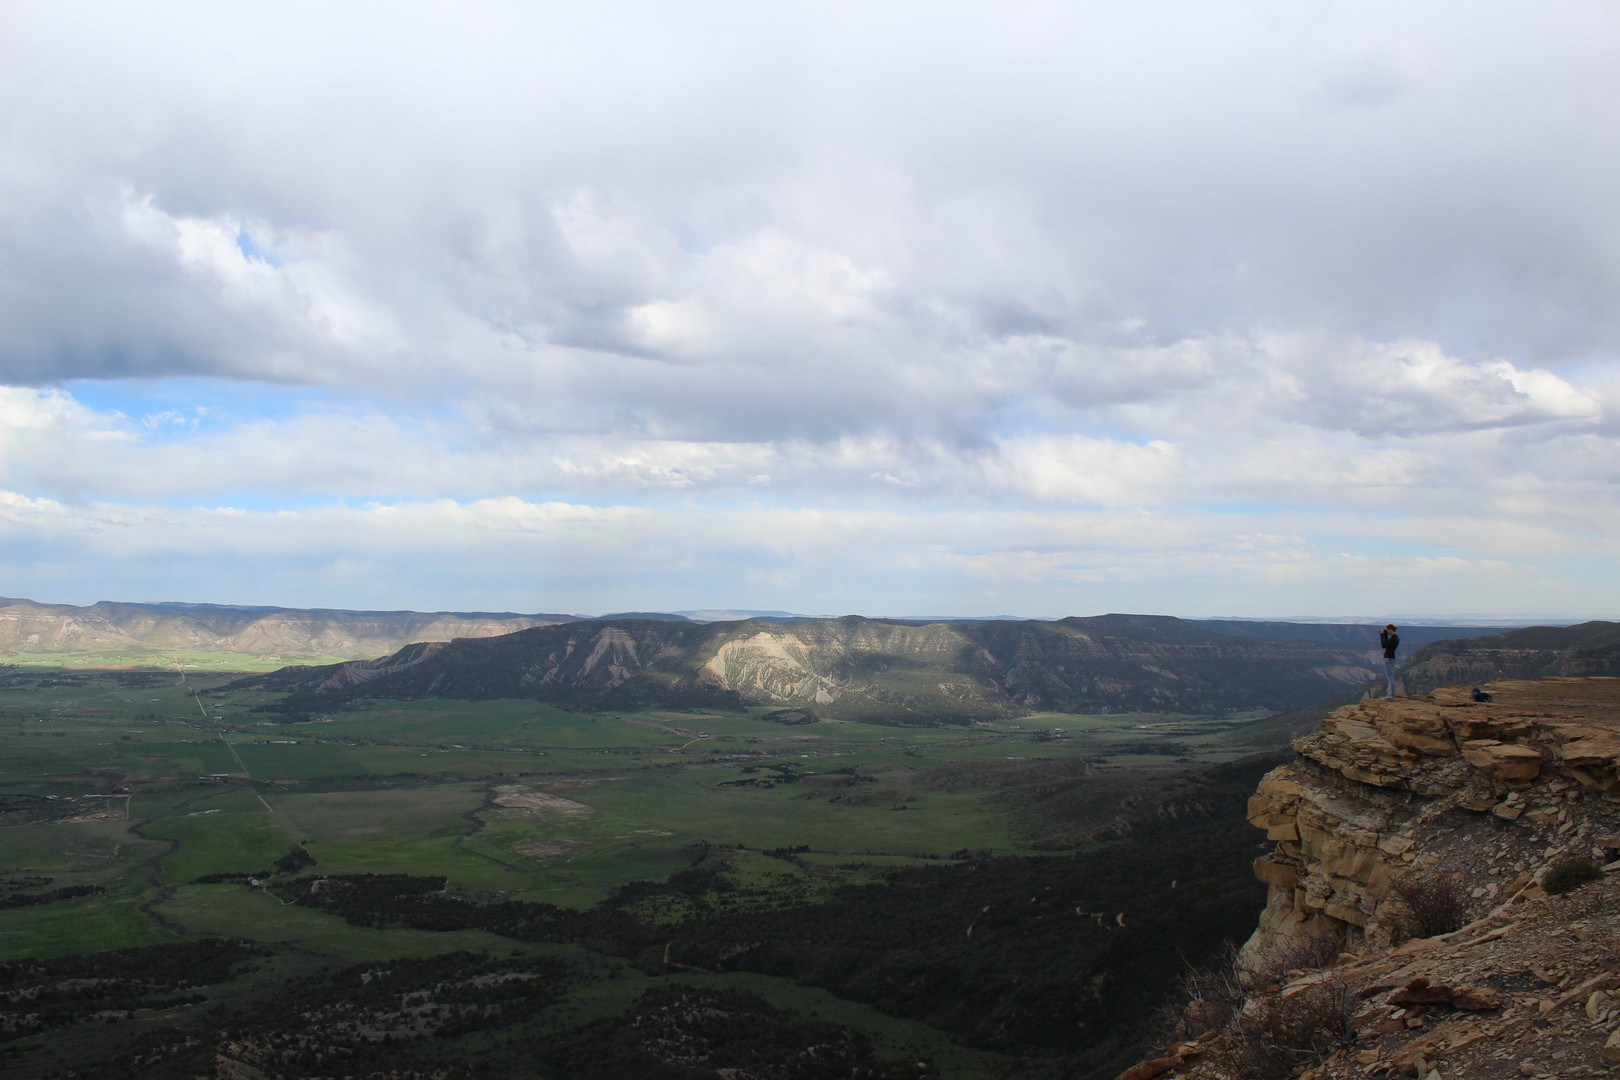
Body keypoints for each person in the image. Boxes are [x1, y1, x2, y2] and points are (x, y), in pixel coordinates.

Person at [1379, 624, 1400, 697]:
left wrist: (1381, 636)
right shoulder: (1395, 638)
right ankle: (1389, 694)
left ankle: (1390, 695)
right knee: (1391, 678)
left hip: (1389, 659)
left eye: (1387, 630)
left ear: (1391, 629)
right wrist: (1385, 635)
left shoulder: (1393, 638)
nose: (1386, 631)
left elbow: (1383, 645)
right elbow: (1387, 644)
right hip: (1391, 659)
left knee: (1390, 679)